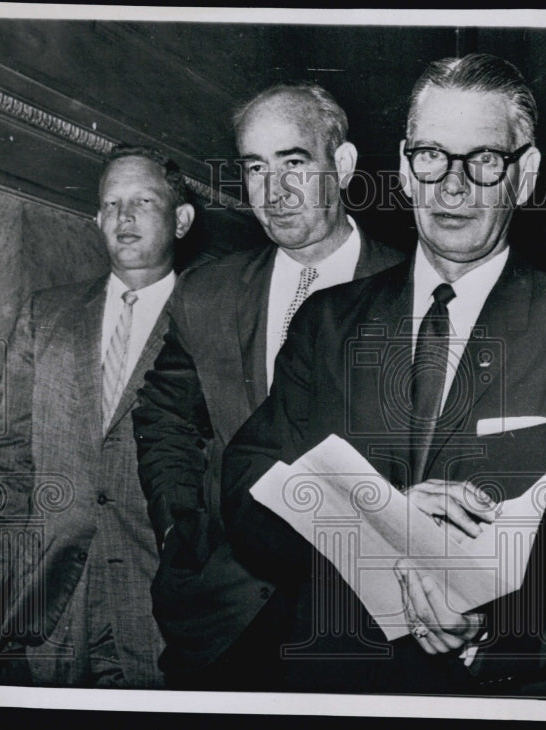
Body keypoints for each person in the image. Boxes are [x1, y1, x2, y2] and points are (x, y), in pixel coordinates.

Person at [219, 53, 546, 695]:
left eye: (483, 160)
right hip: (333, 677)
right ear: (403, 167)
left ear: (525, 175)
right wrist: (376, 515)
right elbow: (248, 484)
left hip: (498, 694)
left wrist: (487, 627)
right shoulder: (329, 322)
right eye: (431, 156)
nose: (452, 187)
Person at [132, 82, 404, 689]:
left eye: (294, 163)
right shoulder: (208, 291)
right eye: (256, 167)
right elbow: (164, 417)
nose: (274, 191)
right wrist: (181, 528)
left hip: (364, 626)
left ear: (345, 165)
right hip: (221, 618)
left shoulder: (415, 290)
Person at [0, 145, 195, 687]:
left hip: (161, 603)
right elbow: (2, 457)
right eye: (110, 204)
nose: (124, 217)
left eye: (143, 201)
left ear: (181, 219)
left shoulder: (214, 318)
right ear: (96, 220)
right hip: (47, 601)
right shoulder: (47, 314)